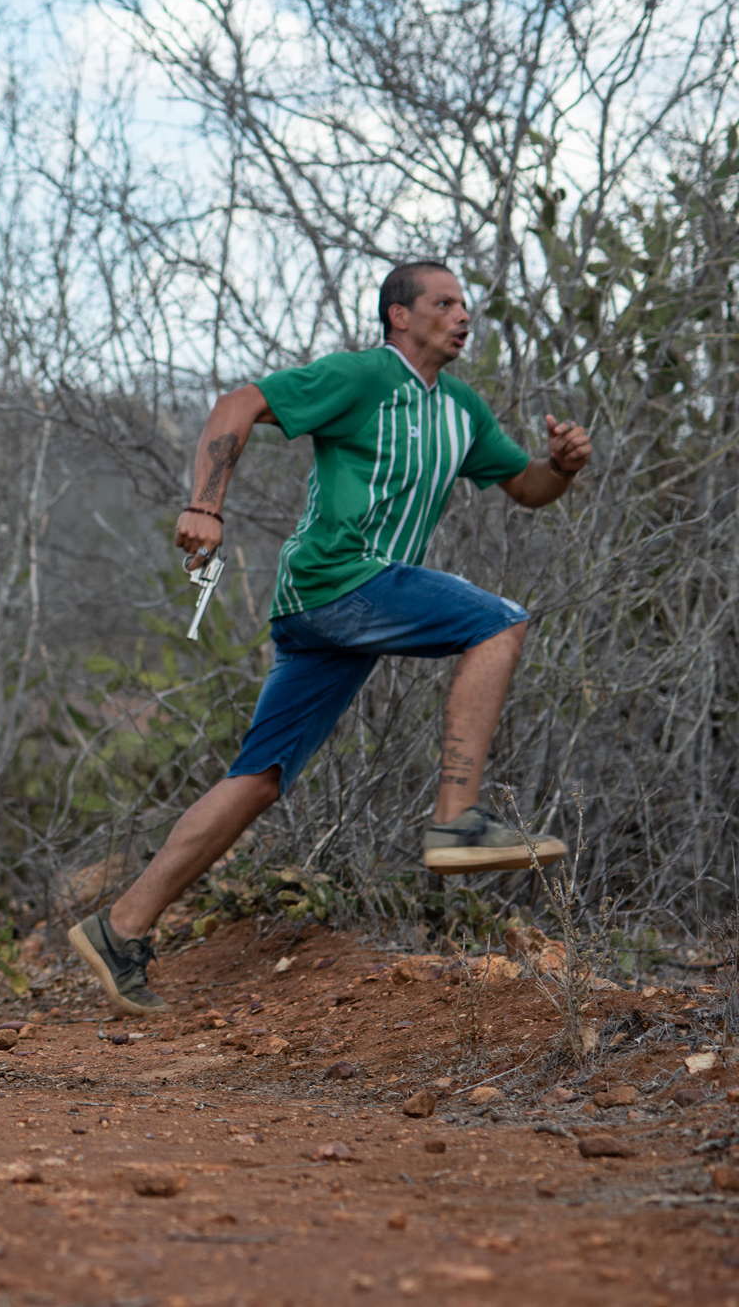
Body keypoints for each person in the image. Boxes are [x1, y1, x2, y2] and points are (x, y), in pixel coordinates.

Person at [70, 261, 594, 1017]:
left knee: (259, 779)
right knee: (501, 619)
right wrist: (206, 506)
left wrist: (562, 466)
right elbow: (238, 403)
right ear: (398, 317)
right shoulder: (361, 377)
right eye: (443, 303)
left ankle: (120, 929)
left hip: (332, 616)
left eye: (464, 305)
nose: (461, 316)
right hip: (335, 581)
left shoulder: (462, 411)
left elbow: (527, 489)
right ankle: (458, 819)